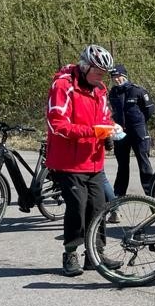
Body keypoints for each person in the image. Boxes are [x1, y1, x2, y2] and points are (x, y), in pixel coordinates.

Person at [45, 44, 123, 276]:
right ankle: (70, 254)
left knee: (98, 208)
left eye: (104, 74)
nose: (101, 78)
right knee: (77, 208)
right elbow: (56, 124)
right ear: (85, 66)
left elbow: (104, 117)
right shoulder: (63, 86)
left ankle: (94, 255)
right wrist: (93, 131)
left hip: (93, 160)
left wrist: (111, 129)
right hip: (68, 162)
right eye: (98, 72)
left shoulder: (99, 89)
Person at [108, 64, 155, 204]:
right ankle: (117, 198)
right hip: (120, 134)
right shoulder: (113, 92)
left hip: (138, 132)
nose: (116, 80)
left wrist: (138, 123)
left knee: (144, 164)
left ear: (125, 76)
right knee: (122, 166)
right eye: (114, 77)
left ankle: (151, 196)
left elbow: (149, 110)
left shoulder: (138, 91)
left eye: (119, 76)